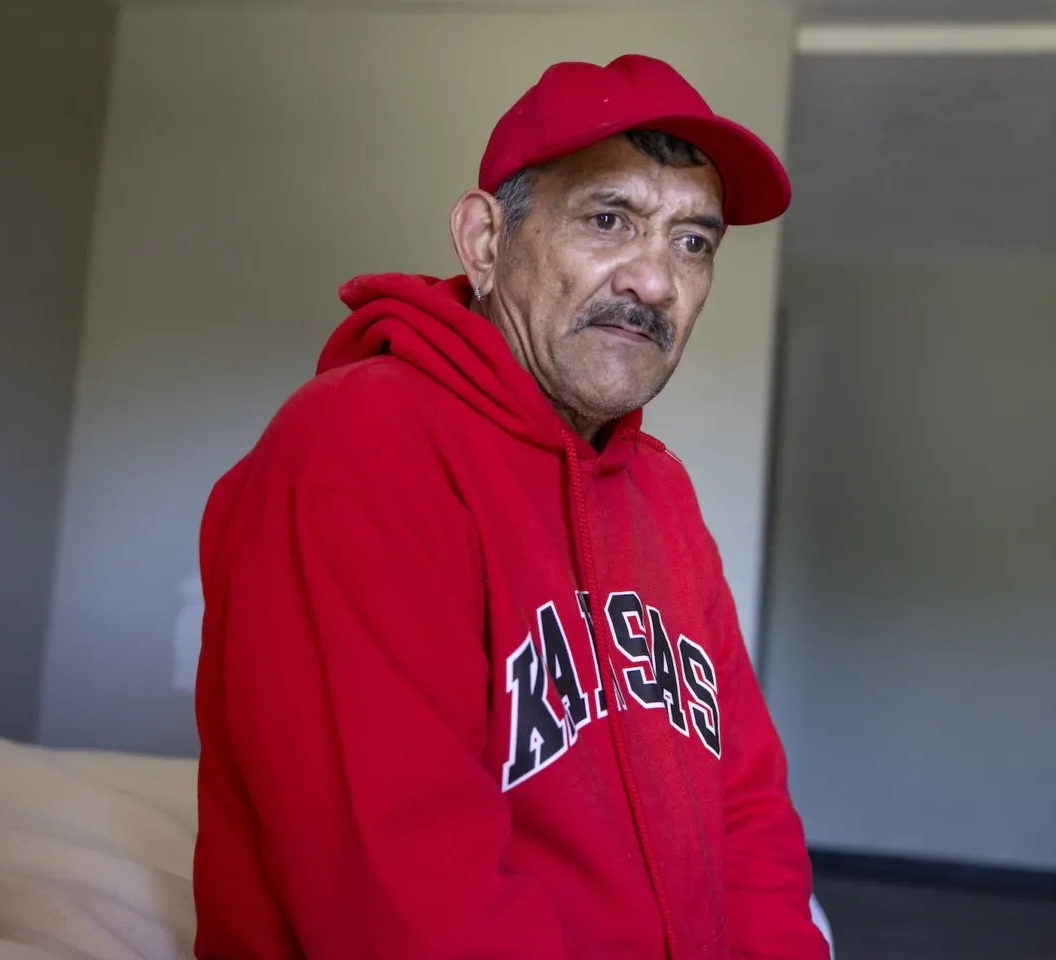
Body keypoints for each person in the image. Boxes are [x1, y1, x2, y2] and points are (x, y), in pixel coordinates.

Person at [193, 53, 830, 960]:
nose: (656, 281)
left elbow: (748, 809)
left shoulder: (662, 491)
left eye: (694, 242)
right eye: (609, 220)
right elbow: (403, 897)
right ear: (485, 241)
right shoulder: (355, 449)